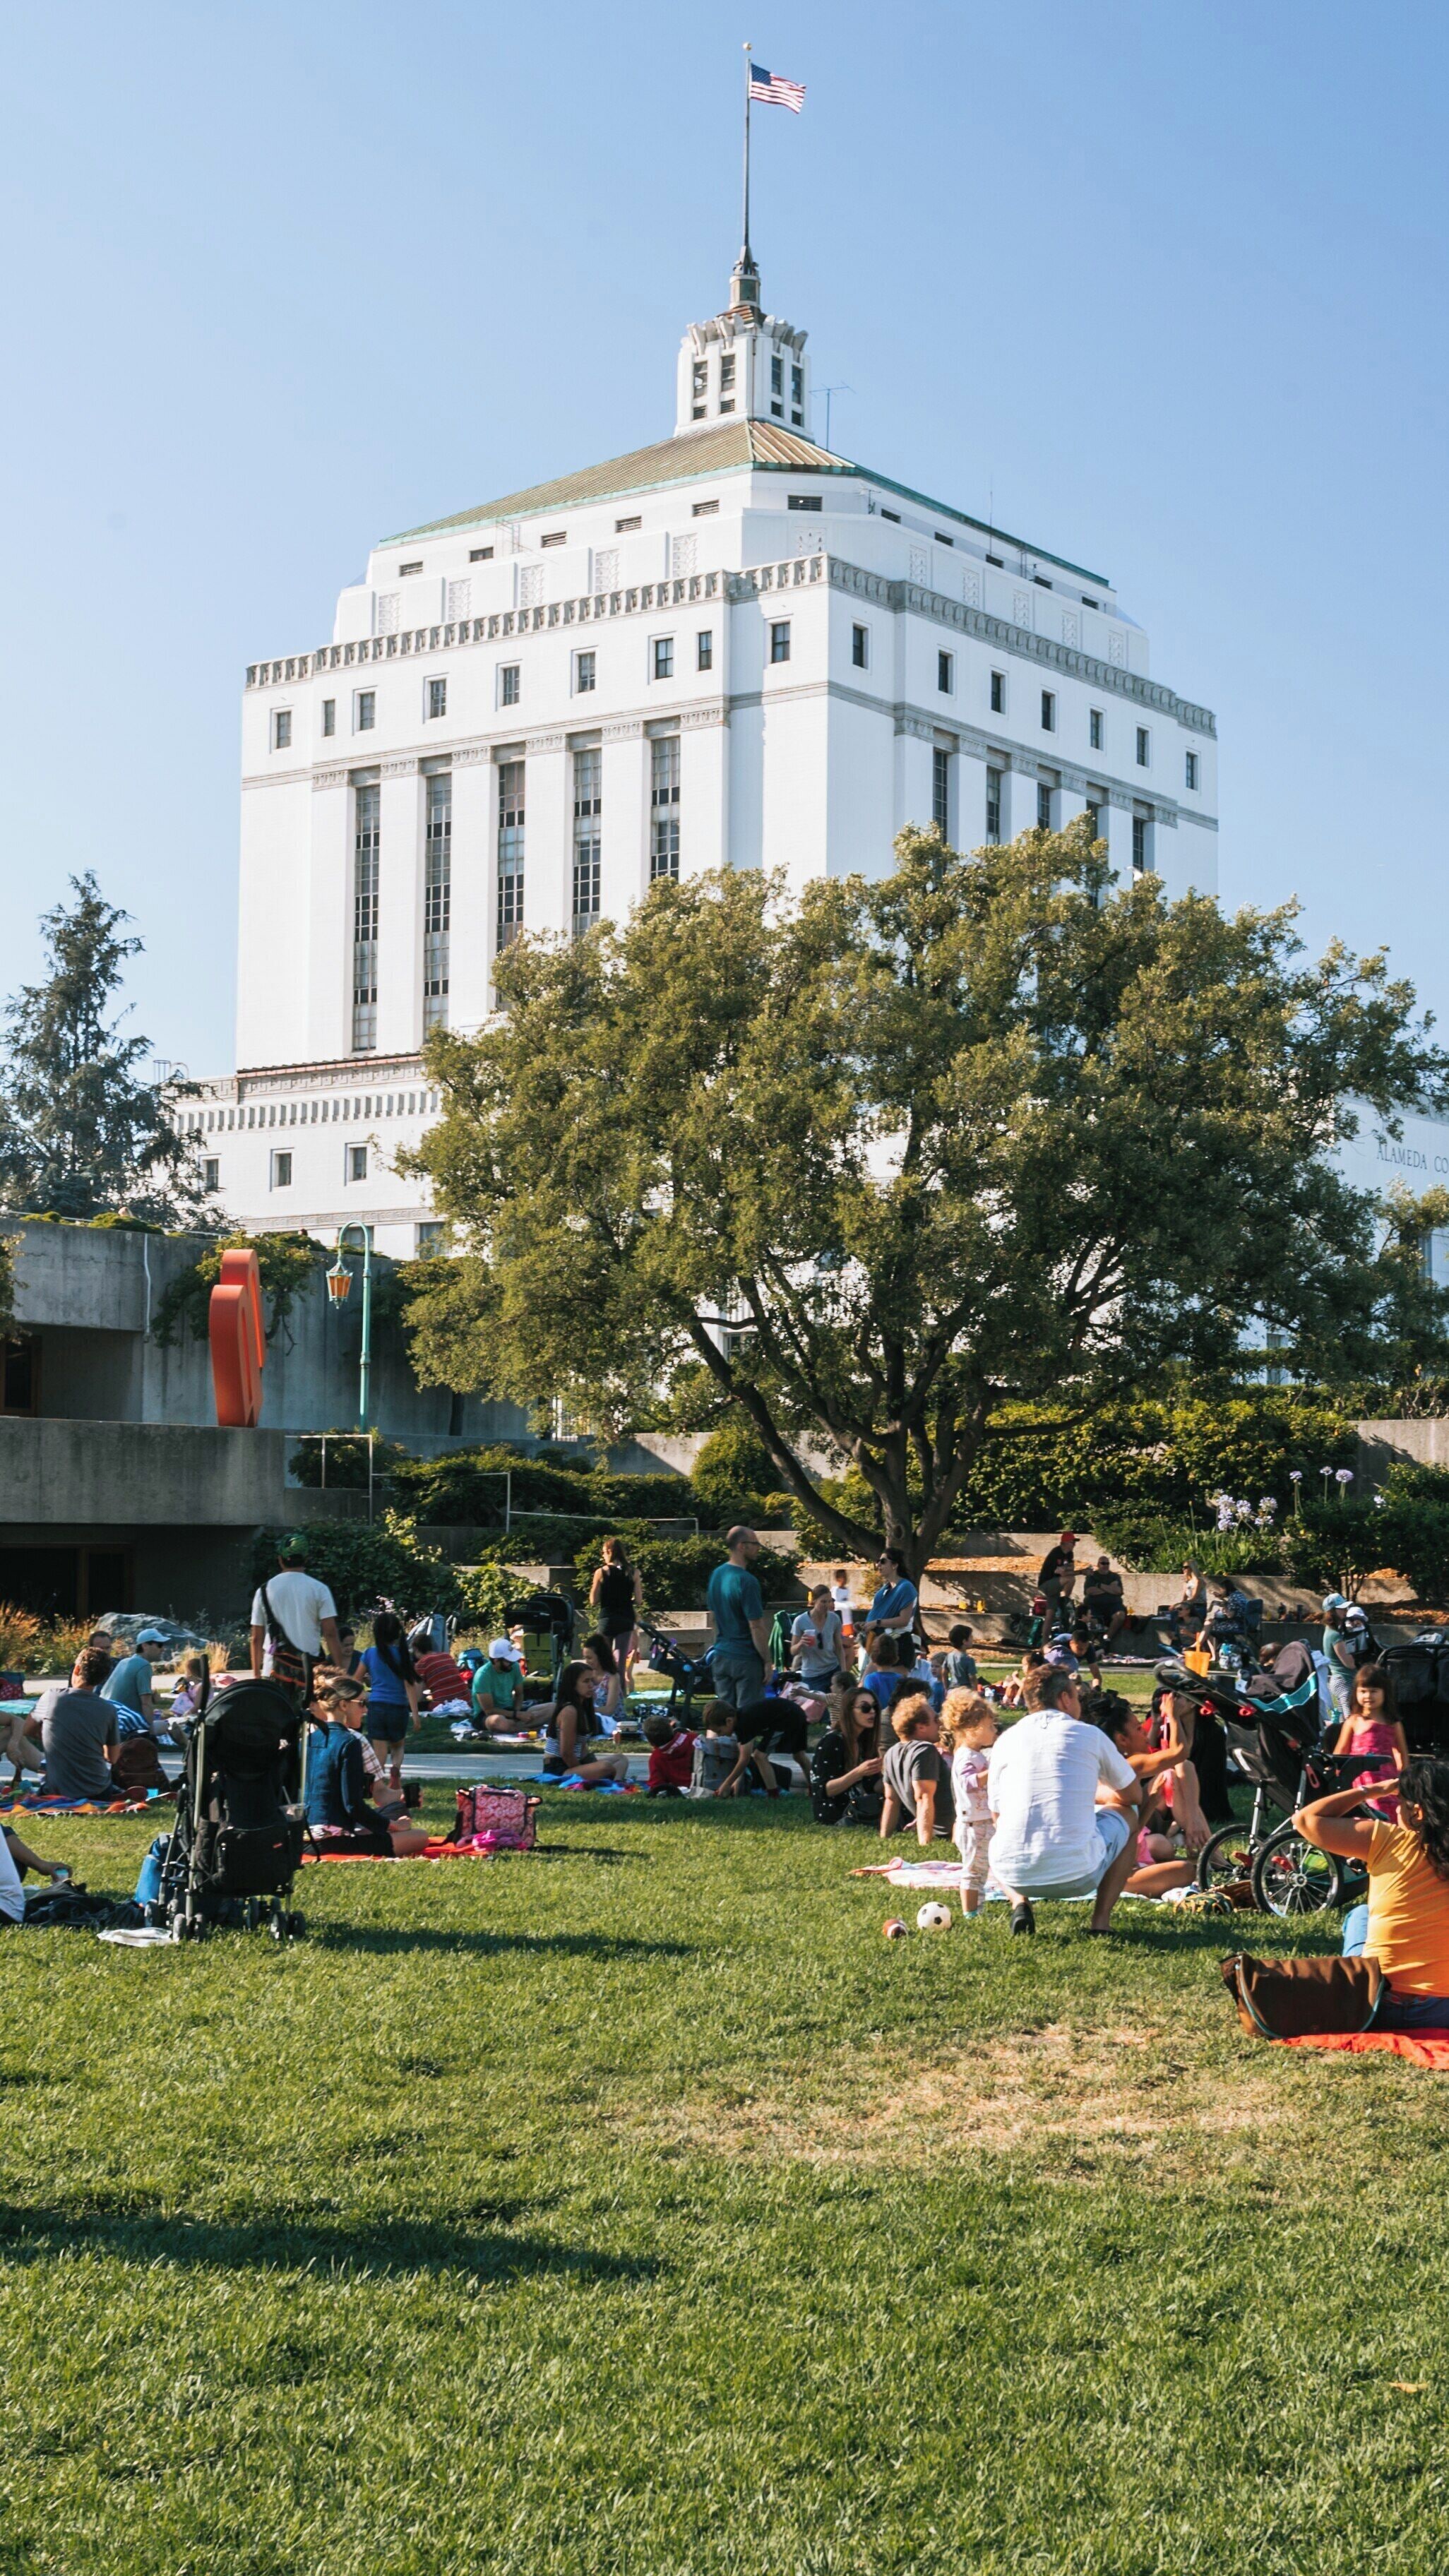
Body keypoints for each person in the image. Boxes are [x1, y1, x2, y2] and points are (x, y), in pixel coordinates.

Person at [1296, 1755, 1449, 2029]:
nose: (1395, 1811)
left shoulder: (1386, 1840)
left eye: (1399, 1804)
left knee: (1359, 1915)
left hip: (1374, 2003)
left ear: (1418, 1812)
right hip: (1442, 2011)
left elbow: (1306, 1820)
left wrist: (1375, 1790)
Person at [985, 1663, 1138, 1935]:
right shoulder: (1089, 1734)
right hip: (1078, 1874)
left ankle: (1019, 1903)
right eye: (1076, 1696)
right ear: (1065, 1698)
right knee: (1129, 1814)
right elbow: (1133, 1795)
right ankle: (1100, 1922)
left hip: (1012, 1873)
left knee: (1004, 1829)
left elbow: (997, 1816)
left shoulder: (1005, 1741)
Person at [304, 1673, 429, 1855]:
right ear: (344, 1705)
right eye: (361, 1704)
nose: (365, 1711)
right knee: (420, 1836)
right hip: (334, 1841)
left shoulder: (308, 1740)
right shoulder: (350, 1742)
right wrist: (393, 1825)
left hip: (304, 1837)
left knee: (388, 1819)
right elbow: (353, 1806)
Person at [249, 1536, 342, 1695]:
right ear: (306, 1558)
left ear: (280, 1560)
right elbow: (331, 1633)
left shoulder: (264, 1591)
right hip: (310, 1671)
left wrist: (257, 1676)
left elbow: (257, 1638)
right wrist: (341, 1671)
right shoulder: (319, 1589)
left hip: (273, 1670)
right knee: (311, 1717)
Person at [940, 1688, 998, 1913]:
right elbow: (967, 1782)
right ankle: (971, 1913)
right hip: (974, 1826)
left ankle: (978, 1909)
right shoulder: (965, 1755)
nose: (995, 1731)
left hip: (983, 1822)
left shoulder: (976, 1754)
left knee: (981, 1871)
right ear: (972, 1729)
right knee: (973, 1871)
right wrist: (993, 1773)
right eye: (990, 1726)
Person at [37, 1650, 121, 1801]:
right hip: (98, 1791)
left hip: (57, 1790)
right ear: (102, 1678)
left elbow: (27, 1730)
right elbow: (113, 1758)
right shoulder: (108, 1709)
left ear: (76, 1669)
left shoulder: (52, 1697)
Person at [705, 1527, 771, 1710]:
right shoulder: (747, 1581)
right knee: (747, 1721)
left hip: (721, 1655)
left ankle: (715, 1741)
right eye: (755, 1544)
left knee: (721, 1718)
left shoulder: (716, 1575)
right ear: (742, 1546)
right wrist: (767, 1661)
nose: (759, 1547)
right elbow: (756, 1626)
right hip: (746, 1659)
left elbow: (713, 1617)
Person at [880, 1690, 954, 1844]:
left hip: (935, 1828)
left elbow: (891, 1800)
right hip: (949, 1829)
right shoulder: (925, 1749)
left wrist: (884, 1838)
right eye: (935, 1720)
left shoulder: (891, 1753)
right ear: (921, 1727)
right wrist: (925, 1844)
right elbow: (924, 1797)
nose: (940, 1723)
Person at [1333, 1662, 1407, 1816]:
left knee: (1389, 1816)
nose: (1368, 1696)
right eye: (1363, 1691)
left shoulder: (1393, 1723)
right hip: (1359, 1779)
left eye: (1374, 1691)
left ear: (1385, 1693)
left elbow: (1402, 1753)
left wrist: (1403, 1778)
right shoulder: (1353, 1721)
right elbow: (1340, 1753)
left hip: (1386, 1781)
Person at [359, 1611, 421, 1786]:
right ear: (397, 1634)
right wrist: (415, 1716)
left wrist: (364, 1696)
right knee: (398, 1746)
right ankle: (396, 1769)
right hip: (398, 1708)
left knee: (379, 1752)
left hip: (377, 1706)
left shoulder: (370, 1654)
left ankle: (377, 1786)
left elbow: (355, 1679)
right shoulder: (403, 1655)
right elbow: (409, 1686)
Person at [809, 1681, 884, 1826]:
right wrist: (858, 1773)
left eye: (875, 1707)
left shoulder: (864, 1742)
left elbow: (872, 1786)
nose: (872, 1712)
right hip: (835, 1814)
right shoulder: (832, 1742)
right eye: (865, 1708)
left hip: (858, 1809)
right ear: (849, 1711)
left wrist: (895, 1776)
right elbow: (825, 1790)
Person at [541, 1662, 630, 1783]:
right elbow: (566, 1753)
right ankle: (611, 1781)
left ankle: (617, 1783)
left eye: (592, 1681)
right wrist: (583, 1769)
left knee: (621, 1759)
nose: (591, 1686)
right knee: (606, 1767)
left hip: (574, 1764)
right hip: (559, 1769)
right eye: (586, 1681)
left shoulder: (583, 1709)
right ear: (572, 1685)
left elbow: (582, 1748)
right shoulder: (569, 1711)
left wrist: (590, 1765)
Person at [718, 1684, 812, 1798]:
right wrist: (736, 1781)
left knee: (759, 1756)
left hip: (787, 1718)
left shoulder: (743, 1723)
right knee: (799, 1756)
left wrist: (727, 1784)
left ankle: (773, 1794)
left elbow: (745, 1759)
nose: (720, 1735)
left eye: (719, 1731)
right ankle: (815, 1788)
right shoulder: (740, 1718)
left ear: (729, 1721)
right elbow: (742, 1758)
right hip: (795, 1712)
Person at [589, 1538, 645, 1690]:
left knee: (602, 1659)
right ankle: (619, 1696)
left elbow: (593, 1600)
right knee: (620, 1663)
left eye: (603, 1552)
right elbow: (639, 1600)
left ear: (609, 1552)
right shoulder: (634, 1572)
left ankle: (602, 1692)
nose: (603, 1556)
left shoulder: (601, 1572)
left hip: (607, 1618)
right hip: (626, 1618)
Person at [100, 1630, 168, 1729]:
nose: (163, 1649)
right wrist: (152, 1730)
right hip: (122, 1723)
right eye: (160, 1645)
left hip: (105, 1719)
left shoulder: (124, 1662)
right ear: (145, 1646)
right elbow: (146, 1703)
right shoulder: (144, 1665)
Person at [789, 1585, 847, 1695]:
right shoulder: (800, 1621)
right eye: (823, 1602)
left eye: (829, 1601)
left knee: (838, 1708)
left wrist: (843, 1672)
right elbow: (793, 1651)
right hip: (812, 1674)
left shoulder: (834, 1619)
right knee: (818, 1711)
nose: (827, 1605)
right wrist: (801, 1643)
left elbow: (839, 1648)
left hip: (832, 1670)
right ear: (814, 1601)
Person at [470, 1637, 529, 1734]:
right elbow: (489, 1710)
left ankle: (516, 1726)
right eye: (509, 1661)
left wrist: (517, 1712)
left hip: (510, 1711)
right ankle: (526, 1726)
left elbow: (519, 1695)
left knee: (551, 1707)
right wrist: (516, 1715)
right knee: (498, 1721)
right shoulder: (483, 1675)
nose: (512, 1663)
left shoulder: (514, 1667)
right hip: (486, 1715)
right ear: (496, 1660)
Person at [410, 1633, 471, 1710]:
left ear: (416, 1649)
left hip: (445, 1704)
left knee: (413, 1706)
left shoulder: (421, 1664)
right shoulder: (447, 1656)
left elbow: (417, 1698)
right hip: (466, 1701)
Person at [868, 1548, 919, 1640]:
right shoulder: (885, 1589)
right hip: (879, 1640)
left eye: (883, 1561)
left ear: (894, 1565)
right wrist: (867, 1624)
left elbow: (904, 1620)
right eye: (878, 1561)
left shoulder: (906, 1588)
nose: (878, 1564)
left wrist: (877, 1623)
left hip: (898, 1642)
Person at [581, 1633, 626, 1735]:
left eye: (590, 1658)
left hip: (610, 1721)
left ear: (601, 1656)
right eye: (585, 1658)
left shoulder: (612, 1677)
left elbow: (609, 1710)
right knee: (555, 1708)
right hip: (593, 1716)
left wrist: (585, 1711)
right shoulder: (587, 1675)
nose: (586, 1661)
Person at [643, 1712, 696, 1796]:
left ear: (650, 1742)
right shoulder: (693, 1739)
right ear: (671, 1728)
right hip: (704, 1784)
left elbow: (657, 1785)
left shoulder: (656, 1758)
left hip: (681, 1791)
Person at [1080, 1558, 1128, 1645]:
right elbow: (1090, 1591)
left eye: (1107, 1563)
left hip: (1114, 1606)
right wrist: (1110, 1588)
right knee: (1091, 1619)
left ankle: (1107, 1638)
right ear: (1098, 1564)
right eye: (1103, 1563)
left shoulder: (1115, 1576)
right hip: (1095, 1606)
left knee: (1120, 1616)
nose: (1105, 1565)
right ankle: (1095, 1643)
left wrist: (1099, 1586)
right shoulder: (1092, 1576)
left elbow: (1118, 1591)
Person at [1164, 1563, 1206, 1652]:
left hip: (1199, 1605)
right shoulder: (1187, 1583)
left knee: (1196, 1624)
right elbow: (1184, 1599)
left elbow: (1194, 1598)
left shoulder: (1199, 1581)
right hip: (1189, 1605)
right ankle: (1174, 1635)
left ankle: (1198, 1645)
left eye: (1186, 1567)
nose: (1183, 1569)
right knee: (1174, 1612)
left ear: (1192, 1568)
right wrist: (1176, 1605)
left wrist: (1182, 1605)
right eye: (1183, 1567)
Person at [1038, 1532, 1077, 1626]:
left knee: (1050, 1617)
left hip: (1056, 1586)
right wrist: (1081, 1572)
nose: (1075, 1545)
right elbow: (1062, 1572)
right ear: (1066, 1543)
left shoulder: (1070, 1554)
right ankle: (1065, 1602)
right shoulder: (1056, 1553)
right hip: (1046, 1584)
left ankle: (1045, 1640)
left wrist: (1068, 1569)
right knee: (1071, 1579)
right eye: (1073, 1542)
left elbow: (1070, 1569)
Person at [943, 1624, 979, 1689]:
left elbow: (944, 1672)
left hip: (952, 1690)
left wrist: (946, 1688)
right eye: (971, 1637)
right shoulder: (969, 1660)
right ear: (964, 1641)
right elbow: (972, 1677)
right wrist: (975, 1691)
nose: (973, 1638)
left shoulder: (949, 1656)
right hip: (965, 1690)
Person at [830, 1568, 856, 1639]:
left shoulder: (847, 1590)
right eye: (842, 1577)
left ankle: (848, 1632)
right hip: (838, 1611)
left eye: (845, 1577)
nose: (844, 1579)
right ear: (837, 1579)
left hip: (846, 1613)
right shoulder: (835, 1590)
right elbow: (835, 1601)